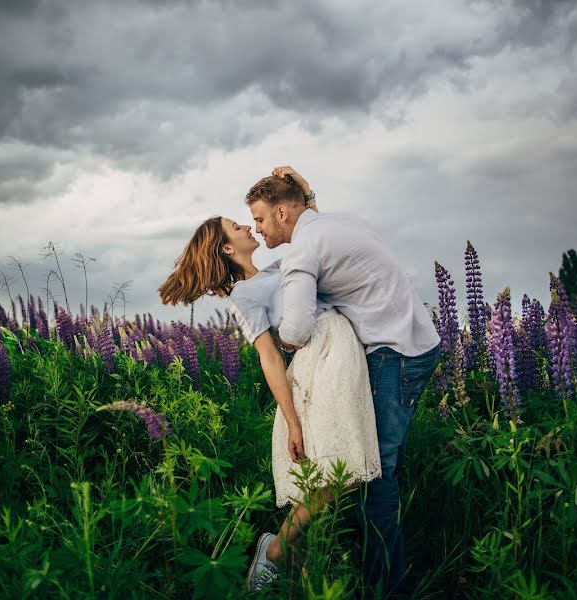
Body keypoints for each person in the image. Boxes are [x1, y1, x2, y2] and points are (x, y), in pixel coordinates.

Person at [158, 183, 381, 594]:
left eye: (249, 220)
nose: (247, 226)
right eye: (235, 226)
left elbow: (314, 232)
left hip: (342, 352)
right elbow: (269, 356)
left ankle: (294, 568)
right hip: (319, 362)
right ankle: (276, 552)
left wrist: (307, 197)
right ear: (226, 249)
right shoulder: (243, 296)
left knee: (335, 469)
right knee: (337, 475)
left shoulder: (280, 267)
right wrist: (292, 419)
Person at [245, 167, 442, 598]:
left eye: (259, 219)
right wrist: (306, 188)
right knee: (370, 469)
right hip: (412, 342)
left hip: (395, 353)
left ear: (281, 213)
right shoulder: (339, 222)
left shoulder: (301, 250)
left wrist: (280, 333)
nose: (256, 229)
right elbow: (311, 212)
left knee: (376, 476)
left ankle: (388, 589)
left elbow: (296, 330)